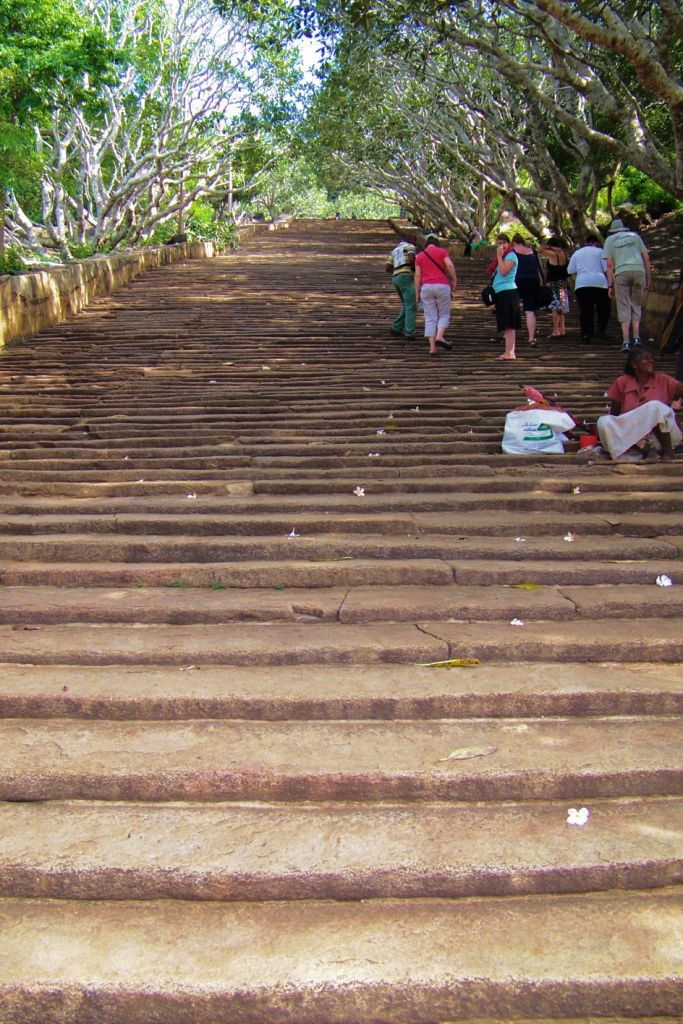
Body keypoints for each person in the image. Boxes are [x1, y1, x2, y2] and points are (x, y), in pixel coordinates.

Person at [597, 345, 683, 461]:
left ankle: (668, 453)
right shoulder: (622, 382)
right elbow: (615, 416)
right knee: (603, 421)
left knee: (655, 406)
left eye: (652, 358)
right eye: (646, 358)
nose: (651, 361)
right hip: (637, 440)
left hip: (666, 437)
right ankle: (649, 451)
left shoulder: (663, 379)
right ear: (634, 364)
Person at [602, 217, 651, 350]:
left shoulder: (610, 240)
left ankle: (626, 341)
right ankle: (636, 337)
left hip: (621, 272)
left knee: (623, 305)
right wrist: (648, 277)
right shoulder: (635, 237)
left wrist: (610, 285)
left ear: (612, 231)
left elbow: (610, 264)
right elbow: (646, 258)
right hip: (638, 270)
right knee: (636, 304)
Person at [414, 233, 457, 356]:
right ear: (437, 244)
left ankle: (432, 348)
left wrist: (417, 293)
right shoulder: (442, 251)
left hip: (426, 288)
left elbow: (417, 276)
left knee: (430, 317)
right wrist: (454, 279)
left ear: (426, 245)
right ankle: (440, 336)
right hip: (442, 286)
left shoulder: (420, 256)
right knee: (444, 313)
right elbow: (449, 265)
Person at [567, 234, 610, 344]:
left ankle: (586, 333)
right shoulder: (600, 252)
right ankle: (601, 329)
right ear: (596, 242)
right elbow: (607, 269)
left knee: (586, 310)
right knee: (603, 308)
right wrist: (611, 284)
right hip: (600, 283)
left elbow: (570, 270)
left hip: (582, 284)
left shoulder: (577, 253)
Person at [490, 234, 520, 360]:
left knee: (509, 324)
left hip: (508, 291)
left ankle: (510, 352)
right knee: (505, 324)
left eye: (504, 242)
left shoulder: (511, 255)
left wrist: (499, 257)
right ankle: (508, 351)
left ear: (509, 244)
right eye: (499, 243)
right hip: (501, 292)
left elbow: (504, 271)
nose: (501, 245)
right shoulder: (504, 256)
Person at [512, 233, 544, 348]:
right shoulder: (532, 251)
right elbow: (539, 267)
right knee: (530, 310)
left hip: (517, 280)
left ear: (513, 242)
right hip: (532, 280)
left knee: (513, 307)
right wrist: (541, 282)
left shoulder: (513, 251)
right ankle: (531, 338)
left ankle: (509, 335)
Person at [538, 236, 570, 338]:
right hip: (563, 282)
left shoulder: (552, 254)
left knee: (555, 307)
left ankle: (556, 329)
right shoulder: (563, 253)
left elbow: (539, 248)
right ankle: (563, 329)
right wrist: (557, 248)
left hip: (553, 283)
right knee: (561, 306)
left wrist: (550, 247)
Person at [385, 238, 417, 340]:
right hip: (406, 276)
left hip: (396, 278)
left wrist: (397, 271)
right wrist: (415, 269)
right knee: (411, 305)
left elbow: (387, 267)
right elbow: (412, 259)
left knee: (406, 304)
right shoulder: (410, 247)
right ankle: (409, 331)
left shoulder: (395, 251)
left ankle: (396, 327)